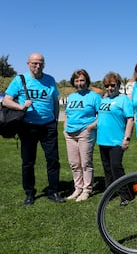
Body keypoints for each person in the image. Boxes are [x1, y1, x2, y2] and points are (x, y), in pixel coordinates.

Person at [3, 53, 64, 205]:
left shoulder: (50, 80)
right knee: (28, 162)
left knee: (53, 160)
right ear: (28, 64)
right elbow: (6, 100)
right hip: (28, 126)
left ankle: (53, 191)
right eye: (34, 63)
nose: (38, 66)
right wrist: (21, 106)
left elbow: (55, 102)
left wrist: (55, 119)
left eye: (40, 63)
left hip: (48, 126)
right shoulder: (20, 80)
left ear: (44, 64)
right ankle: (29, 193)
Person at [63, 69, 101, 202]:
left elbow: (101, 115)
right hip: (70, 133)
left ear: (87, 81)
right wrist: (64, 128)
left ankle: (87, 190)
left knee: (85, 162)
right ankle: (78, 188)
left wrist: (91, 126)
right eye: (77, 80)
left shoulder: (94, 96)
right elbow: (67, 113)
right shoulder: (72, 97)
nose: (79, 83)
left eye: (82, 80)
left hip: (85, 132)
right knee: (74, 163)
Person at [97, 72, 134, 206]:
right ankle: (110, 192)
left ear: (118, 85)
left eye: (112, 85)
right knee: (107, 168)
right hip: (103, 140)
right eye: (107, 85)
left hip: (116, 141)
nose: (110, 88)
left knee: (116, 167)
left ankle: (126, 195)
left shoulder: (124, 99)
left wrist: (127, 138)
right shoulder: (104, 99)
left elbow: (130, 119)